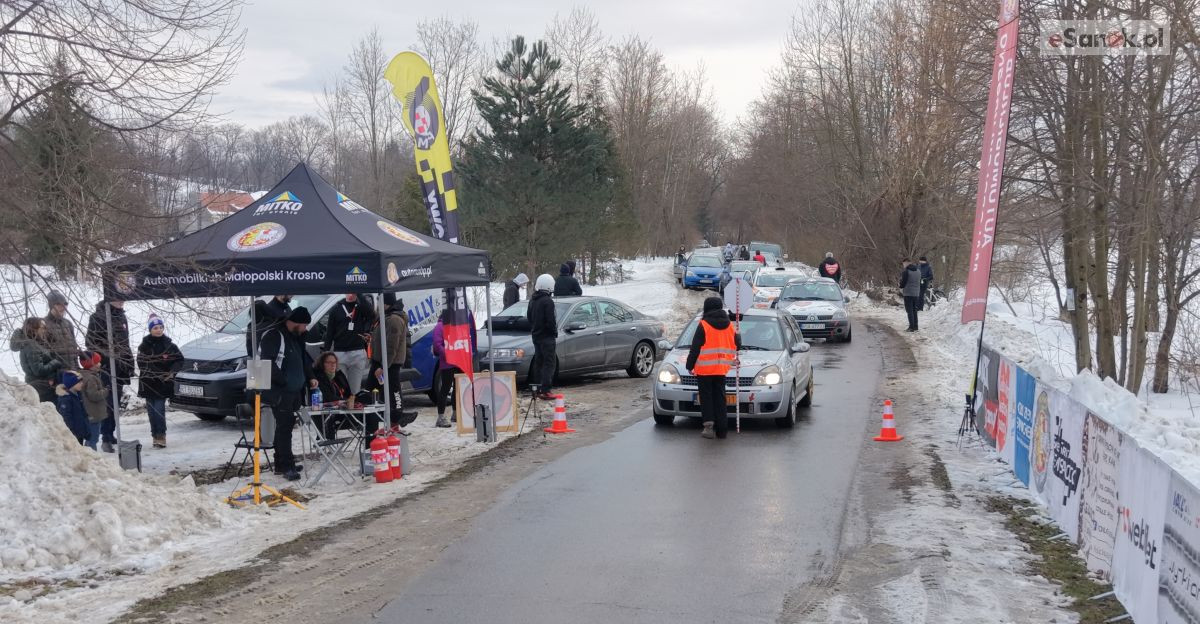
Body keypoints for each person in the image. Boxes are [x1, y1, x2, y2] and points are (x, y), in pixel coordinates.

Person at [260, 307, 318, 481]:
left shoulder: (296, 337)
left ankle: (282, 462)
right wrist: (283, 381)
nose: (305, 329)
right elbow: (267, 363)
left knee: (286, 427)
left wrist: (310, 377)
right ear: (296, 323)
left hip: (294, 392)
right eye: (304, 325)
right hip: (280, 392)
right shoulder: (274, 336)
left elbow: (303, 360)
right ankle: (286, 465)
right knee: (284, 428)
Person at [685, 297, 741, 440]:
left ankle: (708, 427)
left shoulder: (703, 325)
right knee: (720, 399)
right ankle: (722, 430)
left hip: (704, 370)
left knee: (707, 398)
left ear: (707, 308)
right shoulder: (729, 325)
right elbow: (738, 345)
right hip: (721, 369)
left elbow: (695, 348)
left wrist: (689, 365)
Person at [86, 299, 133, 453]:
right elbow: (90, 343)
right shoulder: (97, 317)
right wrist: (107, 357)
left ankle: (111, 433)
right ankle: (105, 437)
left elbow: (125, 342)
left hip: (120, 366)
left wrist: (128, 362)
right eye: (118, 299)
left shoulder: (121, 317)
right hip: (106, 367)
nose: (121, 302)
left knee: (115, 403)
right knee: (107, 403)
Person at [370, 293, 418, 428]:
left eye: (379, 301)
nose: (377, 304)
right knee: (375, 391)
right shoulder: (385, 316)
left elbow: (392, 347)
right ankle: (387, 418)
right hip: (380, 362)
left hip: (389, 363)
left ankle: (397, 416)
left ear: (386, 303)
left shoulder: (394, 319)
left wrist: (384, 366)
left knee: (393, 390)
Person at [136, 314, 184, 449]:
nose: (158, 330)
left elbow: (179, 360)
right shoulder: (144, 346)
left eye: (160, 327)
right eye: (155, 328)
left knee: (159, 410)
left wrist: (172, 372)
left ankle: (161, 435)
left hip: (163, 384)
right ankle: (155, 435)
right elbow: (142, 363)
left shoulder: (169, 345)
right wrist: (155, 373)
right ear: (150, 329)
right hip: (148, 383)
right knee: (151, 412)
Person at [431, 306, 478, 428]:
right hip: (447, 363)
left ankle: (456, 413)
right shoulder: (440, 326)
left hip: (459, 361)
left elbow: (466, 340)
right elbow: (437, 345)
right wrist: (449, 354)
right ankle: (441, 417)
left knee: (458, 388)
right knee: (445, 389)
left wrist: (467, 354)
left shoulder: (458, 325)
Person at [323, 293, 375, 394]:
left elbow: (371, 313)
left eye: (353, 292)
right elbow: (329, 332)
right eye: (348, 291)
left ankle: (354, 402)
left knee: (354, 390)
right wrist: (326, 352)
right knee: (341, 388)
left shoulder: (361, 307)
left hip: (357, 353)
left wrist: (359, 294)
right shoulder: (336, 309)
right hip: (340, 353)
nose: (350, 294)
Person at [56, 352, 108, 450]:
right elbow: (93, 395)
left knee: (90, 439)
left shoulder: (81, 381)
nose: (100, 364)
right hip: (93, 414)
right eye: (97, 362)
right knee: (92, 440)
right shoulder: (90, 378)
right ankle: (92, 456)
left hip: (88, 417)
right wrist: (106, 391)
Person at [14, 317, 62, 403]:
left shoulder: (35, 343)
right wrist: (55, 363)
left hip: (43, 386)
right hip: (41, 388)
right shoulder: (31, 345)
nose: (45, 330)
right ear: (34, 329)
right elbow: (38, 370)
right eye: (43, 328)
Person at [528, 274, 558, 400]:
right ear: (550, 286)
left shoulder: (532, 300)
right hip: (547, 337)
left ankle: (537, 389)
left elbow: (529, 317)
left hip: (536, 336)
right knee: (549, 363)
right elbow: (551, 321)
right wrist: (554, 332)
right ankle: (546, 390)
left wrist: (535, 329)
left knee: (538, 362)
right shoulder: (548, 301)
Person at [312, 351, 354, 439]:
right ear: (322, 364)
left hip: (344, 410)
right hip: (328, 413)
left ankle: (370, 445)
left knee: (370, 415)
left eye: (334, 362)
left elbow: (349, 394)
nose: (333, 365)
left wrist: (349, 400)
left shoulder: (338, 376)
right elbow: (327, 397)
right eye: (329, 362)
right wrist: (345, 401)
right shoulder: (319, 377)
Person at [43, 290, 78, 368]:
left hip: (72, 370)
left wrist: (77, 367)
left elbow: (74, 348)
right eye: (58, 304)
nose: (63, 307)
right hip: (56, 371)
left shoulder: (68, 323)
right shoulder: (43, 324)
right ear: (51, 305)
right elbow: (43, 354)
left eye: (65, 304)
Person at [900, 260, 923, 332]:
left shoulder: (906, 272)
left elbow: (903, 283)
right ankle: (915, 326)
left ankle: (911, 327)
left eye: (903, 264)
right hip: (916, 293)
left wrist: (900, 286)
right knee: (914, 310)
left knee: (909, 311)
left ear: (906, 263)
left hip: (908, 293)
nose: (903, 265)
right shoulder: (918, 271)